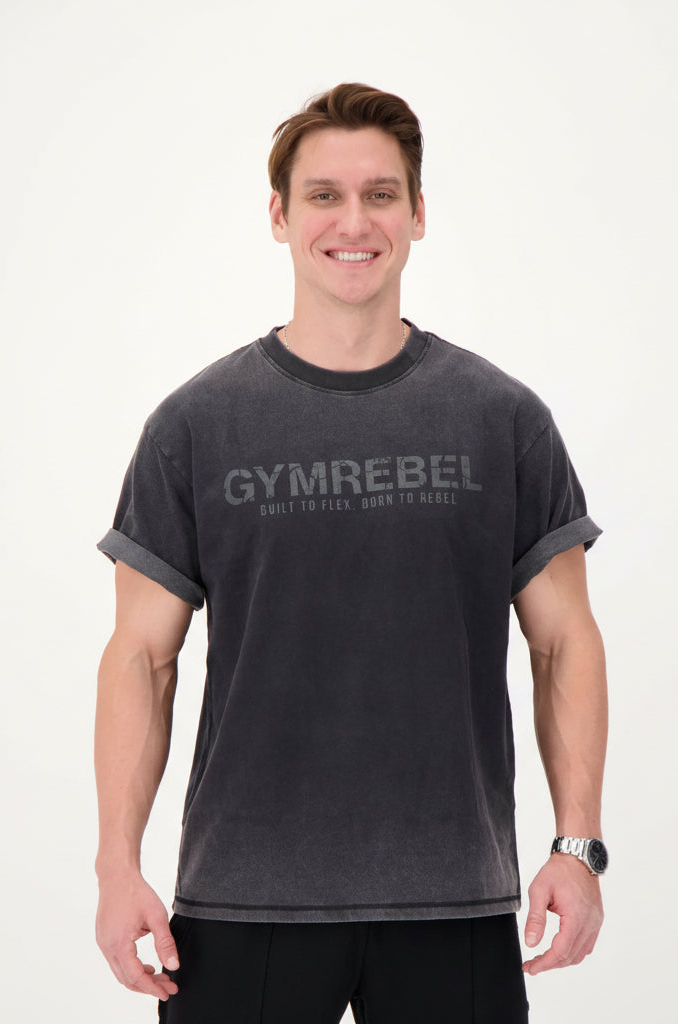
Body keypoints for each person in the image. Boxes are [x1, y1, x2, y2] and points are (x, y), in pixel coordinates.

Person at [93, 82, 608, 1024]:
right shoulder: (196, 426)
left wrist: (577, 849)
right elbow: (141, 657)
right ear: (280, 217)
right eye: (324, 195)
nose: (354, 221)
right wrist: (116, 866)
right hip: (242, 897)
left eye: (381, 194)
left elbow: (563, 640)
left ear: (417, 214)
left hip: (455, 897)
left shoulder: (502, 420)